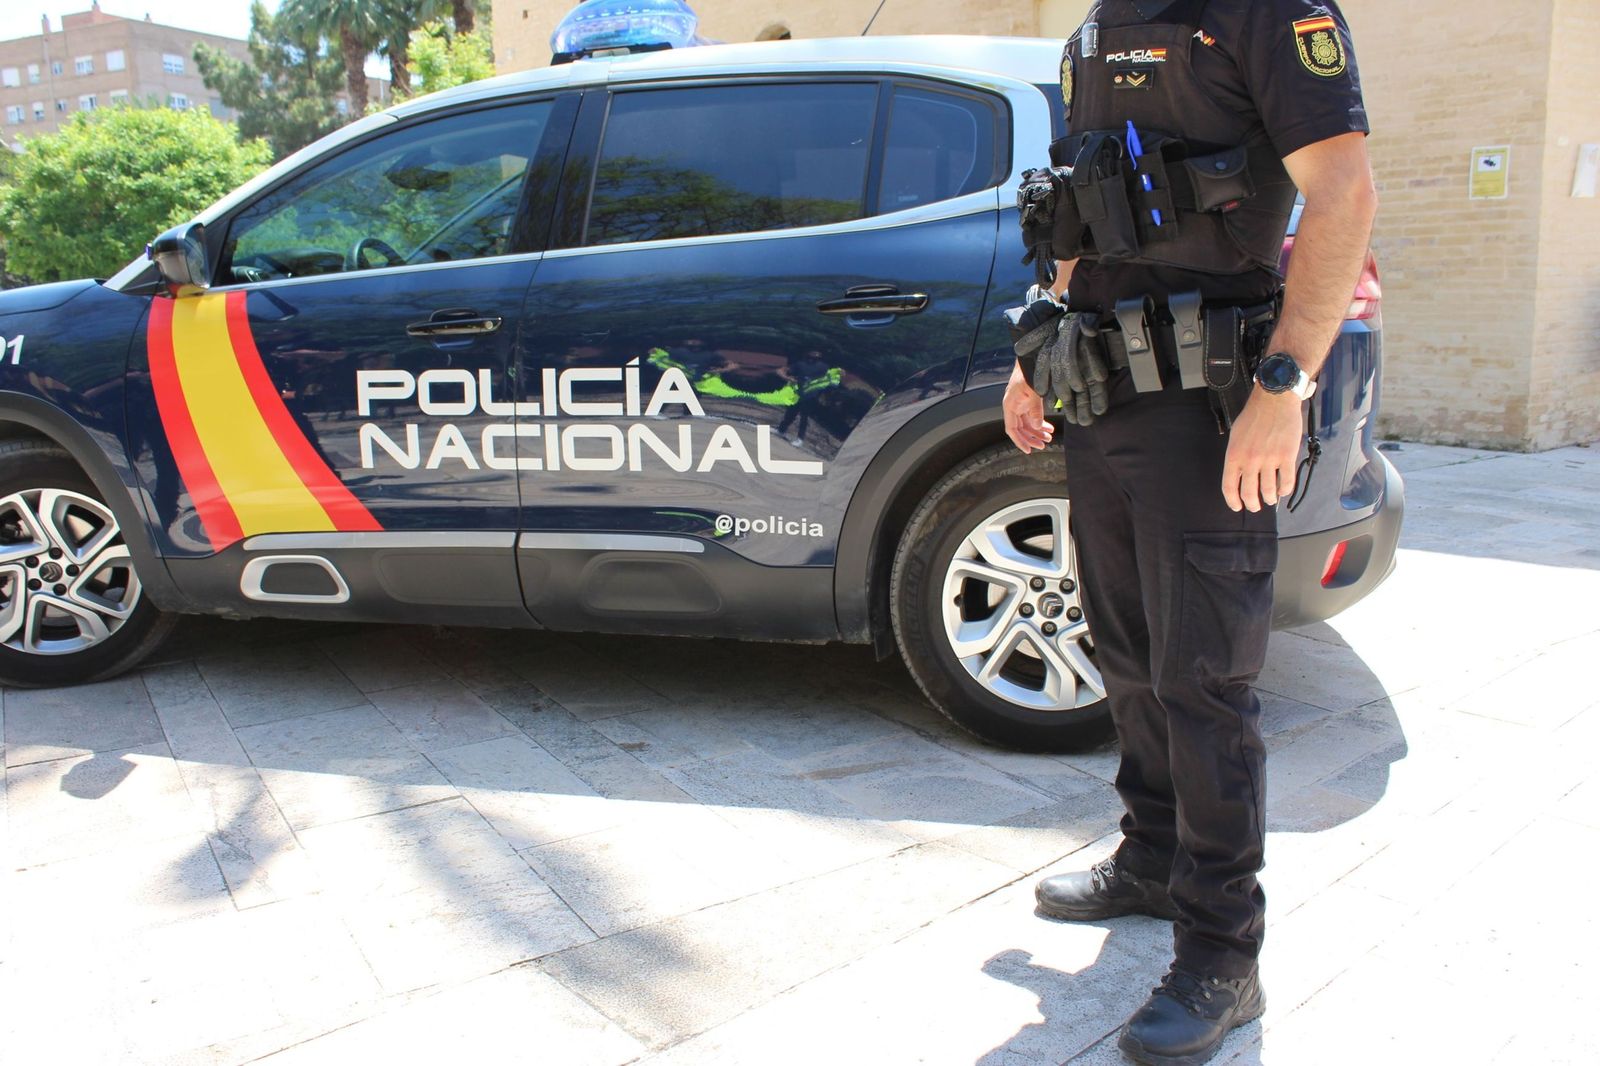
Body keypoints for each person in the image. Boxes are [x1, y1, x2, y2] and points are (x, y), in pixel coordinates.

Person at [1001, 2, 1377, 1063]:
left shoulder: (1263, 12)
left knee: (1203, 680)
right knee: (1126, 655)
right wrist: (1035, 354)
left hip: (1213, 404)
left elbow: (1343, 190)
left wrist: (1283, 386)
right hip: (1099, 389)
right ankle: (1152, 857)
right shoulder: (1096, 26)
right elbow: (1080, 210)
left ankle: (1221, 951)